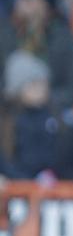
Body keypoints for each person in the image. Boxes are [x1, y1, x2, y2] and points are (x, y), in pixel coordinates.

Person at [0, 0, 73, 117]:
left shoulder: (64, 37)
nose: (22, 1)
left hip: (52, 112)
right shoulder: (5, 33)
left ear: (46, 1)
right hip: (7, 111)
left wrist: (47, 97)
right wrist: (14, 95)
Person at [0, 50, 59, 180]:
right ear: (18, 89)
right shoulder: (7, 120)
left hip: (51, 188)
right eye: (33, 84)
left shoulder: (52, 115)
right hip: (18, 188)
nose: (41, 89)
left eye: (43, 83)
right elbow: (6, 161)